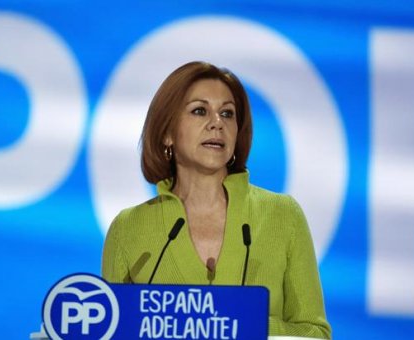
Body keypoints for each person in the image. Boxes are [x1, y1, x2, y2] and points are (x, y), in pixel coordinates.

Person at [101, 61, 331, 338]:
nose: (217, 123)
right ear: (167, 133)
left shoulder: (283, 215)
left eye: (227, 113)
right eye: (200, 111)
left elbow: (314, 333)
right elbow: (110, 329)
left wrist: (233, 323)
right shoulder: (129, 228)